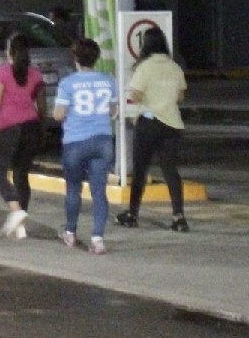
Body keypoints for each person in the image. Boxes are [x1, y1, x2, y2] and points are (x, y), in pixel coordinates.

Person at [116, 26, 189, 232]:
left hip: (148, 123)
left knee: (140, 170)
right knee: (171, 171)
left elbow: (135, 95)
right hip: (172, 124)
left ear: (146, 45)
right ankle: (178, 216)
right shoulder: (175, 67)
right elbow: (180, 97)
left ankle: (132, 214)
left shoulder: (144, 67)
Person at [54, 38, 118, 254]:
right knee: (99, 192)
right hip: (102, 140)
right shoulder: (108, 81)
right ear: (96, 58)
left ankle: (70, 232)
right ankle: (98, 238)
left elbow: (58, 114)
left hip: (75, 142)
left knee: (73, 189)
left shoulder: (68, 84)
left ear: (75, 58)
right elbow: (113, 111)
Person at [0, 32, 46, 239]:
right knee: (21, 175)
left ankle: (16, 211)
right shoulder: (36, 75)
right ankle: (21, 224)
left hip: (8, 129)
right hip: (31, 128)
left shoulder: (3, 73)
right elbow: (42, 106)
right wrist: (42, 129)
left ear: (9, 52)